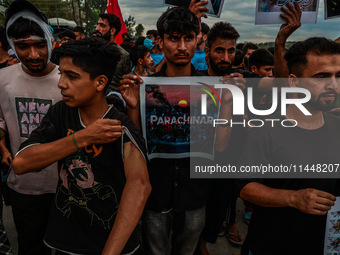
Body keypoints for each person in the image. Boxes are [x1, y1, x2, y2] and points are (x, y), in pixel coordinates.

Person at [12, 37, 151, 255]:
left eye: (72, 76)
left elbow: (140, 188)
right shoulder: (60, 113)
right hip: (66, 240)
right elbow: (20, 164)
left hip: (112, 243)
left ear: (100, 82)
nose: (61, 83)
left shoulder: (120, 127)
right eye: (62, 73)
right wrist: (82, 138)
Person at [120, 4, 210, 254]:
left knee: (187, 249)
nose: (182, 47)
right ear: (160, 41)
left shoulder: (211, 88)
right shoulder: (144, 87)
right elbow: (138, 144)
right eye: (173, 38)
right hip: (156, 190)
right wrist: (132, 108)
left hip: (195, 192)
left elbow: (219, 144)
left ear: (198, 39)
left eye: (188, 38)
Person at [238, 37, 340, 255]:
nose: (333, 84)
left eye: (338, 75)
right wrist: (293, 198)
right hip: (271, 245)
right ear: (294, 82)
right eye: (321, 77)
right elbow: (245, 187)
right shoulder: (266, 130)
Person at [1, 0, 61, 253]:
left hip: (66, 187)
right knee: (30, 246)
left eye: (39, 45)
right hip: (22, 185)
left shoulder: (66, 79)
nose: (33, 55)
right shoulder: (2, 79)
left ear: (50, 42)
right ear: (13, 47)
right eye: (23, 46)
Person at [94, 13, 131, 93]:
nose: (97, 28)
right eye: (97, 25)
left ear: (112, 30)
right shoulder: (91, 50)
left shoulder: (124, 55)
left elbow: (126, 82)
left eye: (102, 25)